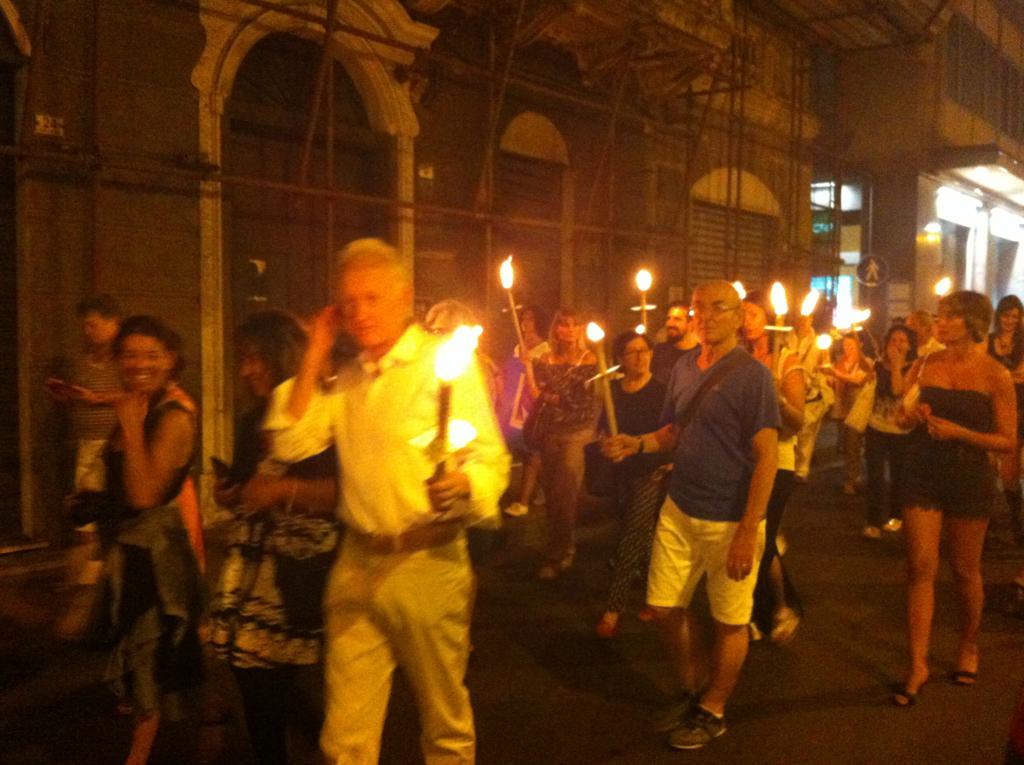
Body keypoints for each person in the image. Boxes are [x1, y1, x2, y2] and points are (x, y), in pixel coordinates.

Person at [262, 238, 509, 765]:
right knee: (344, 736)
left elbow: (492, 459)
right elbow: (289, 442)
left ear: (404, 295)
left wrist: (465, 484)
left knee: (442, 720)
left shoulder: (443, 363)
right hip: (356, 561)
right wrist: (316, 347)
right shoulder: (348, 378)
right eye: (348, 302)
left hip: (427, 562)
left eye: (372, 298)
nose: (360, 312)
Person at [603, 280, 779, 749]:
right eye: (700, 308)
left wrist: (749, 530)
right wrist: (637, 443)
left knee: (730, 620)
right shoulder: (682, 366)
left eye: (718, 308)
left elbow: (767, 455)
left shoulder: (754, 377)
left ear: (738, 316)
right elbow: (674, 431)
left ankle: (713, 707)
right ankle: (694, 685)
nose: (706, 316)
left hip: (730, 518)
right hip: (680, 509)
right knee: (663, 608)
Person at [208, 311, 341, 765]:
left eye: (255, 358)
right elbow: (249, 486)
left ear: (282, 355)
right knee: (253, 674)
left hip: (298, 564)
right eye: (243, 359)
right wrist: (231, 494)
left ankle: (334, 749)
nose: (247, 370)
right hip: (252, 563)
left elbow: (344, 494)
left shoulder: (322, 412)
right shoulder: (253, 418)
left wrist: (283, 491)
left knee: (272, 680)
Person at [81, 315, 204, 765]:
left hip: (156, 559)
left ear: (171, 359)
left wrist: (131, 427)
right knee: (157, 656)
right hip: (129, 549)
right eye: (129, 355)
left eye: (151, 355)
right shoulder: (140, 403)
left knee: (148, 655)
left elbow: (144, 494)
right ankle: (209, 718)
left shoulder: (173, 417)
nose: (139, 364)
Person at [893, 291, 1016, 705]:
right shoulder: (924, 364)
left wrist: (960, 433)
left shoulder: (995, 374)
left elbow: (1007, 440)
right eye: (940, 316)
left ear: (974, 323)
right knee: (920, 566)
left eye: (950, 317)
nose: (940, 323)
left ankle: (968, 644)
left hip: (969, 476)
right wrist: (910, 416)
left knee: (965, 570)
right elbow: (901, 415)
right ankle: (917, 663)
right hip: (922, 471)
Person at [595, 330, 668, 638]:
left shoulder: (661, 390)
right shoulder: (612, 390)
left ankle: (613, 608)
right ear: (620, 359)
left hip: (652, 472)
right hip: (621, 472)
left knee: (630, 536)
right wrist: (606, 444)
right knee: (643, 536)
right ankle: (657, 593)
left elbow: (670, 432)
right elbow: (603, 429)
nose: (640, 357)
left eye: (645, 350)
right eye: (632, 352)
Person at [741, 292, 805, 644]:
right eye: (743, 314)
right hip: (742, 460)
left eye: (753, 313)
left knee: (759, 540)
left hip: (777, 461)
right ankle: (769, 608)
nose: (746, 320)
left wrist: (777, 398)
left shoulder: (786, 361)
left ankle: (768, 609)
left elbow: (798, 421)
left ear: (769, 318)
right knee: (750, 538)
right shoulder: (739, 359)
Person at [523, 307, 598, 579]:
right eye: (563, 324)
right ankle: (558, 544)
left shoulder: (589, 359)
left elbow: (581, 399)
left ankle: (560, 554)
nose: (568, 329)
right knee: (552, 495)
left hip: (576, 433)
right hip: (550, 431)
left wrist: (551, 395)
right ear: (556, 328)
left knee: (565, 494)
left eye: (574, 324)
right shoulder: (545, 358)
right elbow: (539, 391)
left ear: (580, 329)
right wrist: (530, 370)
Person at [862, 324, 916, 538]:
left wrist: (896, 366)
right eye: (894, 340)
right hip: (876, 426)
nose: (898, 344)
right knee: (875, 475)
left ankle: (896, 515)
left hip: (901, 430)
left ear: (910, 345)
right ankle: (873, 521)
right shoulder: (877, 365)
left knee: (898, 475)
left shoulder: (913, 368)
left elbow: (898, 391)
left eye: (903, 340)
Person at [501, 305, 548, 518]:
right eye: (523, 318)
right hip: (511, 407)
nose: (525, 322)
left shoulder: (544, 349)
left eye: (530, 318)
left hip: (529, 406)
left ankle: (523, 501)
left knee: (532, 452)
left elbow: (542, 378)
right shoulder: (517, 346)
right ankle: (544, 487)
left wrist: (531, 364)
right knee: (517, 449)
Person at [988, 295, 1024, 545]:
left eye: (1015, 316)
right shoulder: (989, 341)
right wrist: (1008, 376)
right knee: (989, 467)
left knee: (1010, 472)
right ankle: (987, 526)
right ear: (998, 315)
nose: (1010, 321)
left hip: (1019, 408)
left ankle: (1017, 523)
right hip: (991, 408)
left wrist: (1001, 376)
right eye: (1006, 315)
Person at [826, 332, 870, 497]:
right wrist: (830, 380)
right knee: (846, 445)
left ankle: (851, 479)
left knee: (853, 444)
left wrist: (836, 374)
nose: (848, 348)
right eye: (845, 345)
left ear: (860, 345)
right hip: (842, 408)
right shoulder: (840, 362)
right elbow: (835, 381)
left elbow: (858, 380)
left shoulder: (865, 363)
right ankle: (852, 474)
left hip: (856, 409)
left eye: (851, 345)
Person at [789, 312, 830, 483]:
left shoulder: (819, 341)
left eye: (806, 319)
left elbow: (825, 364)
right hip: (792, 388)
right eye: (800, 318)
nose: (803, 322)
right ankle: (791, 464)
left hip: (811, 392)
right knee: (793, 431)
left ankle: (802, 469)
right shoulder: (788, 337)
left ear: (811, 320)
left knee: (807, 433)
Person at [651, 300, 699, 385]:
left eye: (677, 319)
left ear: (690, 324)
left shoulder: (701, 354)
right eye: (668, 318)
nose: (670, 323)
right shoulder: (658, 352)